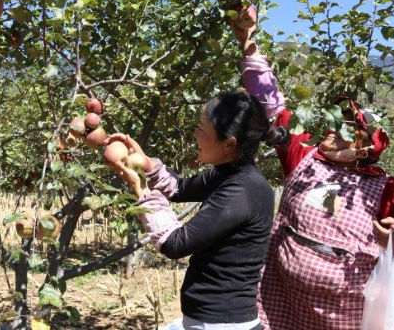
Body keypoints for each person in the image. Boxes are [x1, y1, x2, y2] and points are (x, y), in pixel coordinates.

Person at [232, 19, 394, 329]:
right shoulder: (303, 153)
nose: (335, 127)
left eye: (349, 126)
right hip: (284, 300)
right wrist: (247, 39)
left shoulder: (383, 188)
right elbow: (271, 103)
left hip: (344, 314)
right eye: (335, 118)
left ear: (365, 146)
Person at [105, 91, 288, 330]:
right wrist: (146, 163)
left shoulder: (242, 190)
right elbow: (180, 189)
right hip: (209, 321)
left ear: (229, 144)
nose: (195, 135)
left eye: (202, 130)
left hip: (223, 324)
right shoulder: (226, 173)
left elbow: (175, 243)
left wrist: (140, 188)